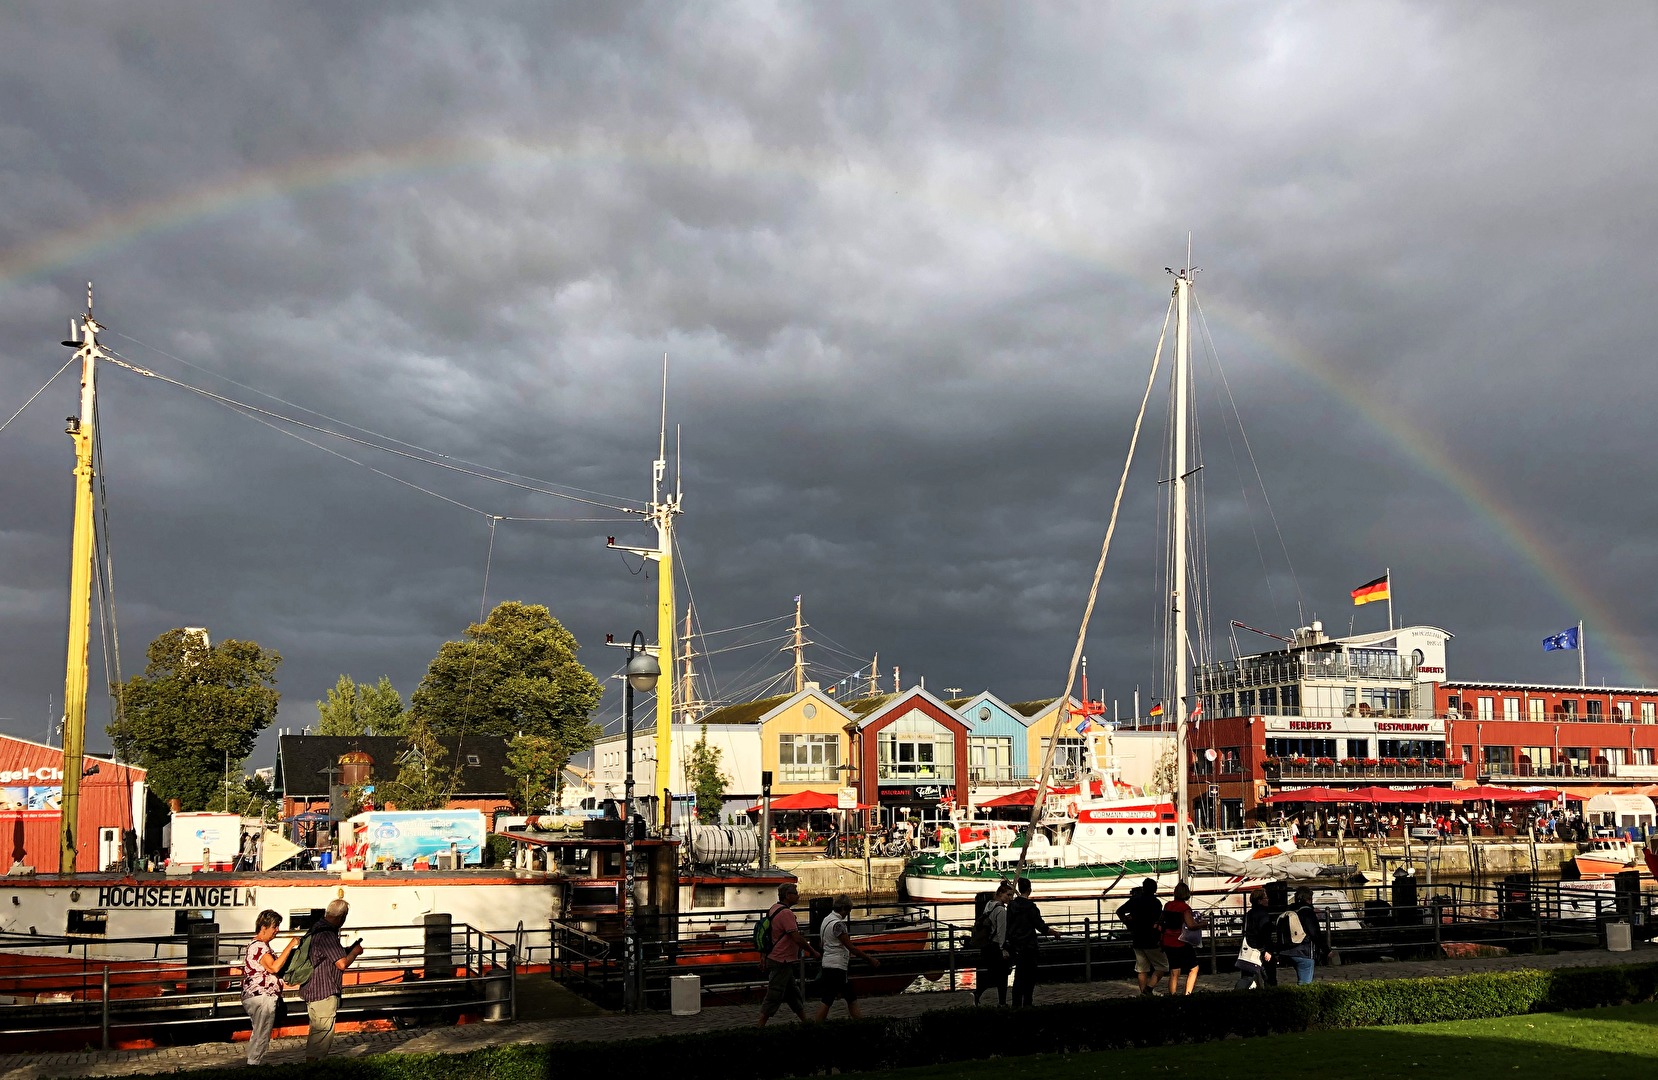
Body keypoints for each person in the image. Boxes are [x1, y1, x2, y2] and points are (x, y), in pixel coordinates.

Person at [295, 898, 365, 1060]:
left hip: (311, 989)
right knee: (322, 1035)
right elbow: (341, 963)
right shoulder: (327, 934)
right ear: (342, 917)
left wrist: (345, 950)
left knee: (316, 1032)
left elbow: (326, 956)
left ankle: (312, 1065)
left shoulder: (315, 928)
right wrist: (354, 952)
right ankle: (315, 1069)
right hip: (323, 991)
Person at [757, 883, 820, 1026]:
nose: (798, 896)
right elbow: (796, 938)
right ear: (787, 895)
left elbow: (768, 934)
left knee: (792, 993)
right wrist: (813, 951)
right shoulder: (786, 913)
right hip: (781, 959)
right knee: (774, 993)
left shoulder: (774, 908)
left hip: (779, 957)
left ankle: (805, 1021)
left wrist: (763, 956)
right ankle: (759, 1026)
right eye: (795, 893)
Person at [242, 909, 298, 1065]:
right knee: (262, 1032)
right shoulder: (260, 947)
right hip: (262, 996)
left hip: (256, 995)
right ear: (263, 927)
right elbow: (273, 967)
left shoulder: (257, 946)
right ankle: (254, 1064)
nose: (277, 931)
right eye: (275, 927)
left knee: (259, 1030)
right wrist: (291, 945)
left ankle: (254, 1062)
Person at [812, 894, 879, 1021]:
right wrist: (869, 958)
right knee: (832, 999)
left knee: (843, 997)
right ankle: (816, 1024)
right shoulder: (839, 925)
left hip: (827, 963)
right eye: (848, 911)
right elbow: (851, 947)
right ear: (843, 908)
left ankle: (858, 1021)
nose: (847, 914)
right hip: (838, 966)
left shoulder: (826, 920)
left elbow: (822, 943)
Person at [1006, 877, 1059, 1007]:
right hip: (1029, 946)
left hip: (1016, 946)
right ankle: (1027, 1004)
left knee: (1018, 977)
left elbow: (1008, 925)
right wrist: (1055, 933)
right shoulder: (1031, 907)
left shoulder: (1011, 906)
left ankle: (1016, 1004)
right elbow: (1041, 927)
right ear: (1029, 890)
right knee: (1029, 978)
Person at [1116, 878, 1169, 995]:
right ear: (1155, 889)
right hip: (1151, 937)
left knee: (1142, 969)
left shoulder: (1135, 900)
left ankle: (1143, 994)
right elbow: (1158, 921)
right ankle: (1148, 989)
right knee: (1163, 966)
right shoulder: (1156, 903)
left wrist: (1127, 922)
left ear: (1143, 888)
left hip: (1137, 936)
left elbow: (1119, 911)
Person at [972, 881, 1014, 1006]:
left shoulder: (989, 905)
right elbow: (1002, 931)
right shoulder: (1001, 910)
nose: (1010, 898)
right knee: (1001, 975)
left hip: (988, 944)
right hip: (996, 945)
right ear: (1001, 894)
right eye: (1008, 895)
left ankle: (980, 993)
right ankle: (1000, 1001)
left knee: (995, 974)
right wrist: (1003, 948)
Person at [1160, 881, 1204, 996]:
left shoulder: (1168, 905)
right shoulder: (1185, 908)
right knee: (1194, 968)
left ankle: (1173, 995)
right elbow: (1191, 925)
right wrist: (1202, 924)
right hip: (1180, 941)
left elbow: (1163, 920)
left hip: (1168, 940)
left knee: (1174, 971)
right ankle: (1187, 993)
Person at [1277, 886, 1320, 984]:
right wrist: (1326, 950)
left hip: (1287, 950)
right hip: (1304, 951)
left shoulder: (1289, 910)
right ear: (1309, 899)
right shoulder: (1308, 912)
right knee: (1305, 983)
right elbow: (1314, 933)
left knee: (1301, 977)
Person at [1234, 890, 1275, 990]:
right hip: (1260, 949)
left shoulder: (1248, 914)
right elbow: (1265, 934)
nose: (1268, 900)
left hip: (1248, 948)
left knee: (1247, 976)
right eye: (1265, 898)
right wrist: (1268, 950)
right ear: (1260, 900)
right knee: (1269, 977)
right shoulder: (1264, 915)